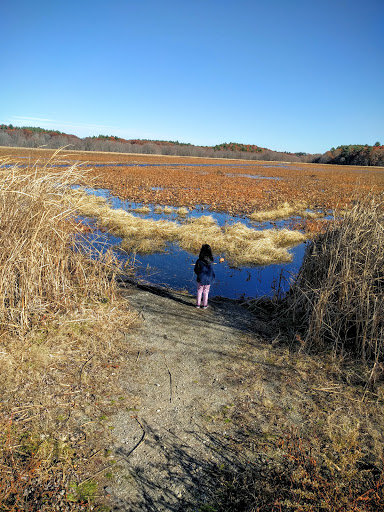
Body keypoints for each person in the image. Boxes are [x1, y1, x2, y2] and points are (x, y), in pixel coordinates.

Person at [194, 244, 215, 309]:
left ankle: (198, 304)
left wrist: (199, 274)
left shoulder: (199, 261)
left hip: (201, 278)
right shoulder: (211, 260)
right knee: (206, 291)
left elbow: (196, 269)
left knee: (199, 291)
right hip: (209, 278)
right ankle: (205, 305)